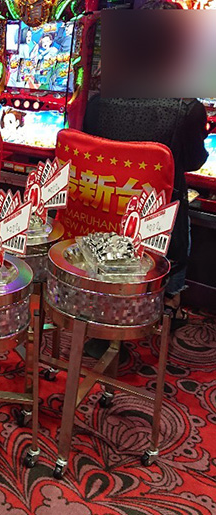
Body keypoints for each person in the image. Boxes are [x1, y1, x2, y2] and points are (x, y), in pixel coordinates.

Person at [83, 1, 209, 329]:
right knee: (181, 202)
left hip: (103, 215)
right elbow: (195, 162)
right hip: (156, 229)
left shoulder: (98, 103)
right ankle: (170, 300)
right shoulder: (187, 108)